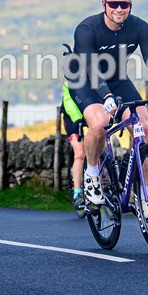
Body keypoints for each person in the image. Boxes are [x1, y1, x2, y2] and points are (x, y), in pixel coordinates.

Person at [66, 0, 148, 219]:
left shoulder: (140, 27)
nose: (119, 9)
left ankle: (146, 198)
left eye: (124, 4)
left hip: (118, 80)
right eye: (114, 4)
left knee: (143, 128)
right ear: (104, 4)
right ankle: (91, 175)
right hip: (85, 82)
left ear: (131, 5)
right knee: (98, 122)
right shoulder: (87, 29)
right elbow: (90, 67)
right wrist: (106, 96)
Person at [61, 82, 86, 212]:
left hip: (89, 112)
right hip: (72, 115)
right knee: (80, 152)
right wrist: (77, 119)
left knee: (97, 149)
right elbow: (69, 100)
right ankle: (77, 193)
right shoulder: (73, 71)